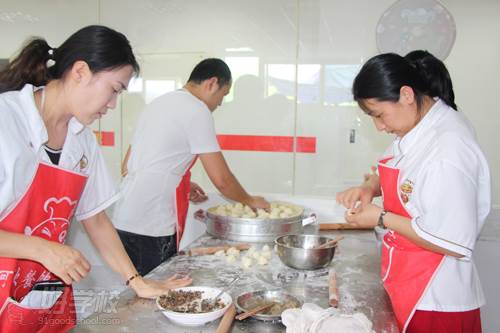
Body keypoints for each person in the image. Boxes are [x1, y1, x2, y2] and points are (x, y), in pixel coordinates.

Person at [0, 25, 191, 332]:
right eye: (114, 89)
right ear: (80, 72)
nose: (113, 104)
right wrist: (42, 249)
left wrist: (136, 281)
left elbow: (97, 220)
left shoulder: (82, 140)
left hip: (45, 300)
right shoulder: (6, 121)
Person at [336, 51, 490, 333]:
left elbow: (452, 240)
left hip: (437, 299)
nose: (380, 126)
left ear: (406, 95)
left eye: (379, 115)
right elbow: (400, 168)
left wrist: (381, 218)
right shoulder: (420, 128)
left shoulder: (449, 148)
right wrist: (369, 187)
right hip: (412, 285)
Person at [112, 58, 270, 276]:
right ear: (212, 83)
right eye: (223, 94)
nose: (220, 103)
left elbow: (127, 167)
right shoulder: (197, 110)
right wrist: (250, 200)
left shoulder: (158, 104)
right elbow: (222, 180)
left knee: (135, 292)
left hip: (124, 219)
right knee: (155, 296)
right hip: (151, 226)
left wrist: (182, 183)